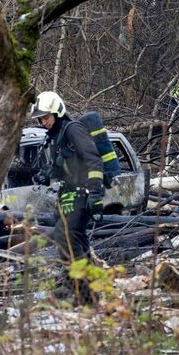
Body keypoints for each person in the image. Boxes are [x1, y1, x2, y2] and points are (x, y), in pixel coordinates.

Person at [30, 91, 104, 269]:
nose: (43, 122)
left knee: (65, 237)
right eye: (40, 120)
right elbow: (65, 166)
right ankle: (90, 283)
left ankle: (77, 284)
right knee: (76, 238)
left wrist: (95, 192)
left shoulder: (73, 129)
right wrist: (47, 175)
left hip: (83, 195)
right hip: (68, 197)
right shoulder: (57, 136)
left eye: (46, 117)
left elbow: (93, 159)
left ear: (57, 112)